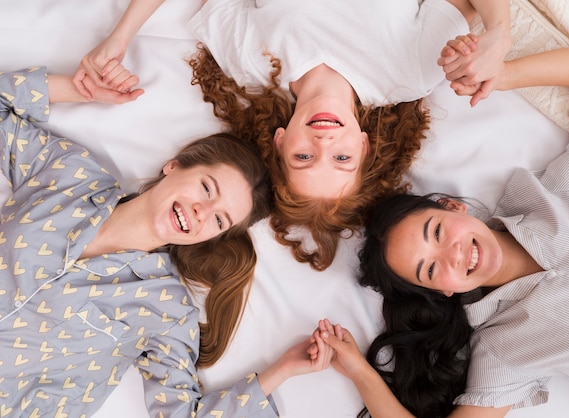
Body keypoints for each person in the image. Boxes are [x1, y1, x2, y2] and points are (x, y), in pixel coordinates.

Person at [72, 0, 512, 271]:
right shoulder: (410, 75)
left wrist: (120, 36)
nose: (324, 144)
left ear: (281, 143)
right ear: (363, 145)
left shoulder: (249, 62)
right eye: (341, 160)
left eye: (304, 159)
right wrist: (499, 36)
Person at [0, 65, 334, 417]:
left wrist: (280, 371)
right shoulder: (70, 174)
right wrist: (81, 88)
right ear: (174, 166)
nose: (202, 212)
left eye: (219, 220)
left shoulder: (167, 312)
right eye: (207, 188)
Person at [314, 44, 569, 418]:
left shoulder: (559, 196)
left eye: (439, 233)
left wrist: (501, 74)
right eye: (430, 269)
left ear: (452, 207)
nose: (453, 255)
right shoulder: (503, 349)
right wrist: (361, 373)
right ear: (443, 290)